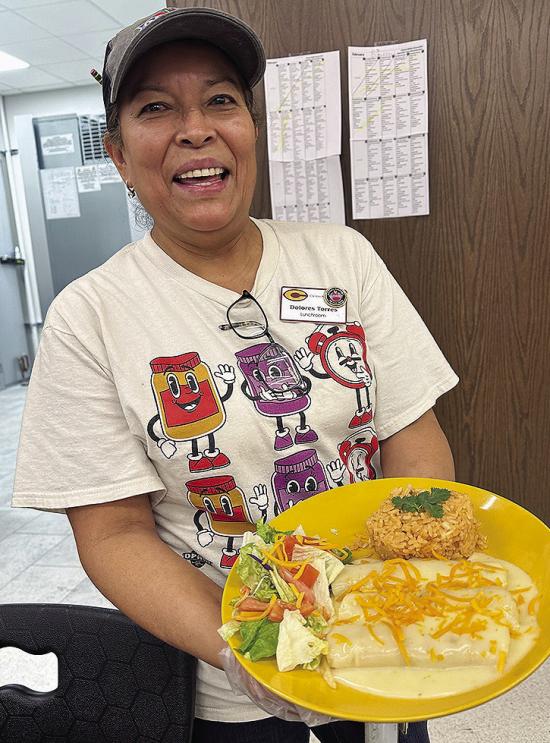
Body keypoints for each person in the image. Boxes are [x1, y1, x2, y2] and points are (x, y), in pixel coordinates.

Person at [13, 7, 458, 743]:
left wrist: (394, 590)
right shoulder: (88, 316)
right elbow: (114, 534)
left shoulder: (341, 258)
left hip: (380, 637)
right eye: (156, 108)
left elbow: (412, 434)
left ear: (253, 131)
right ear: (119, 155)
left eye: (221, 100)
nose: (196, 128)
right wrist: (246, 648)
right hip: (224, 678)